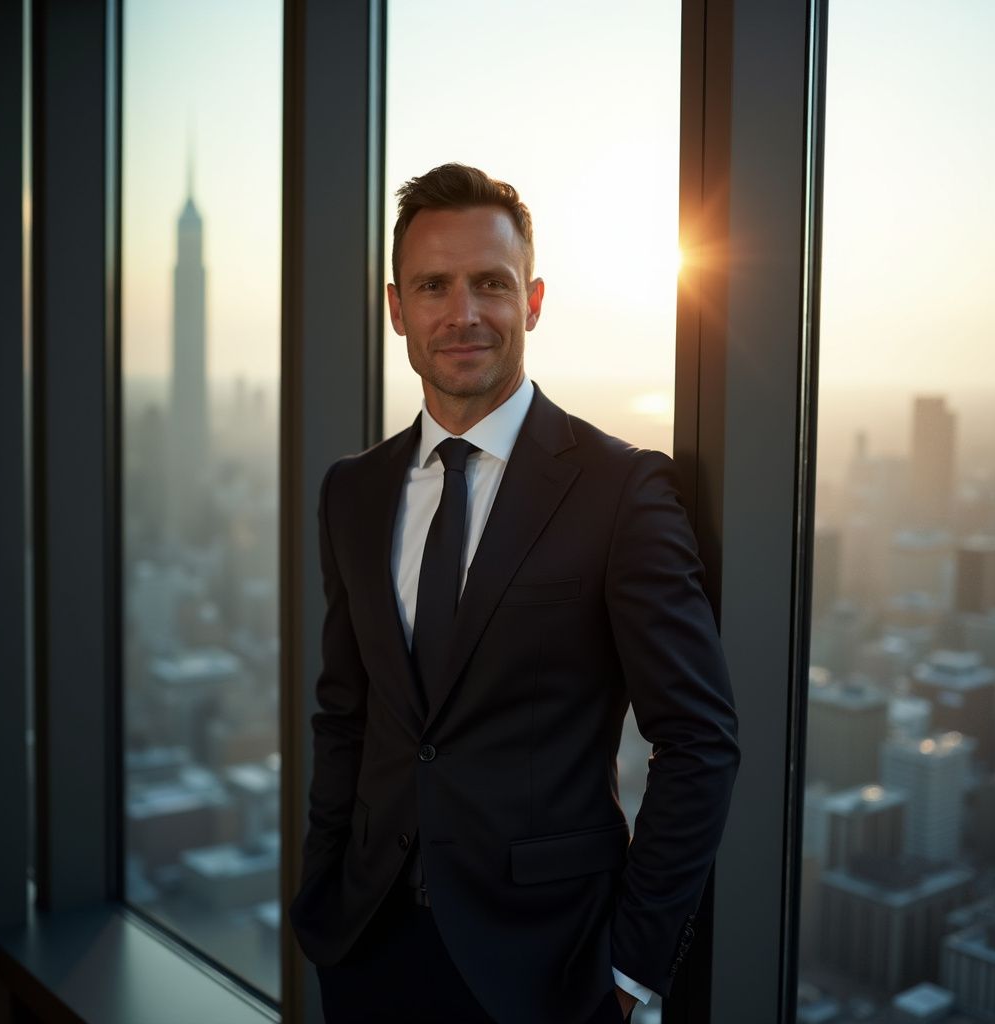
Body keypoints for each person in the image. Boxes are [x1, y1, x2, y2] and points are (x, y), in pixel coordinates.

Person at [290, 163, 740, 1024]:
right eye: (433, 286)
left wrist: (631, 972)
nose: (462, 313)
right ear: (396, 310)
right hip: (367, 950)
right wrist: (323, 895)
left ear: (531, 301)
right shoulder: (352, 491)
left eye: (489, 284)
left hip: (551, 969)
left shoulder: (623, 489)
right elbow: (346, 715)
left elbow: (699, 742)